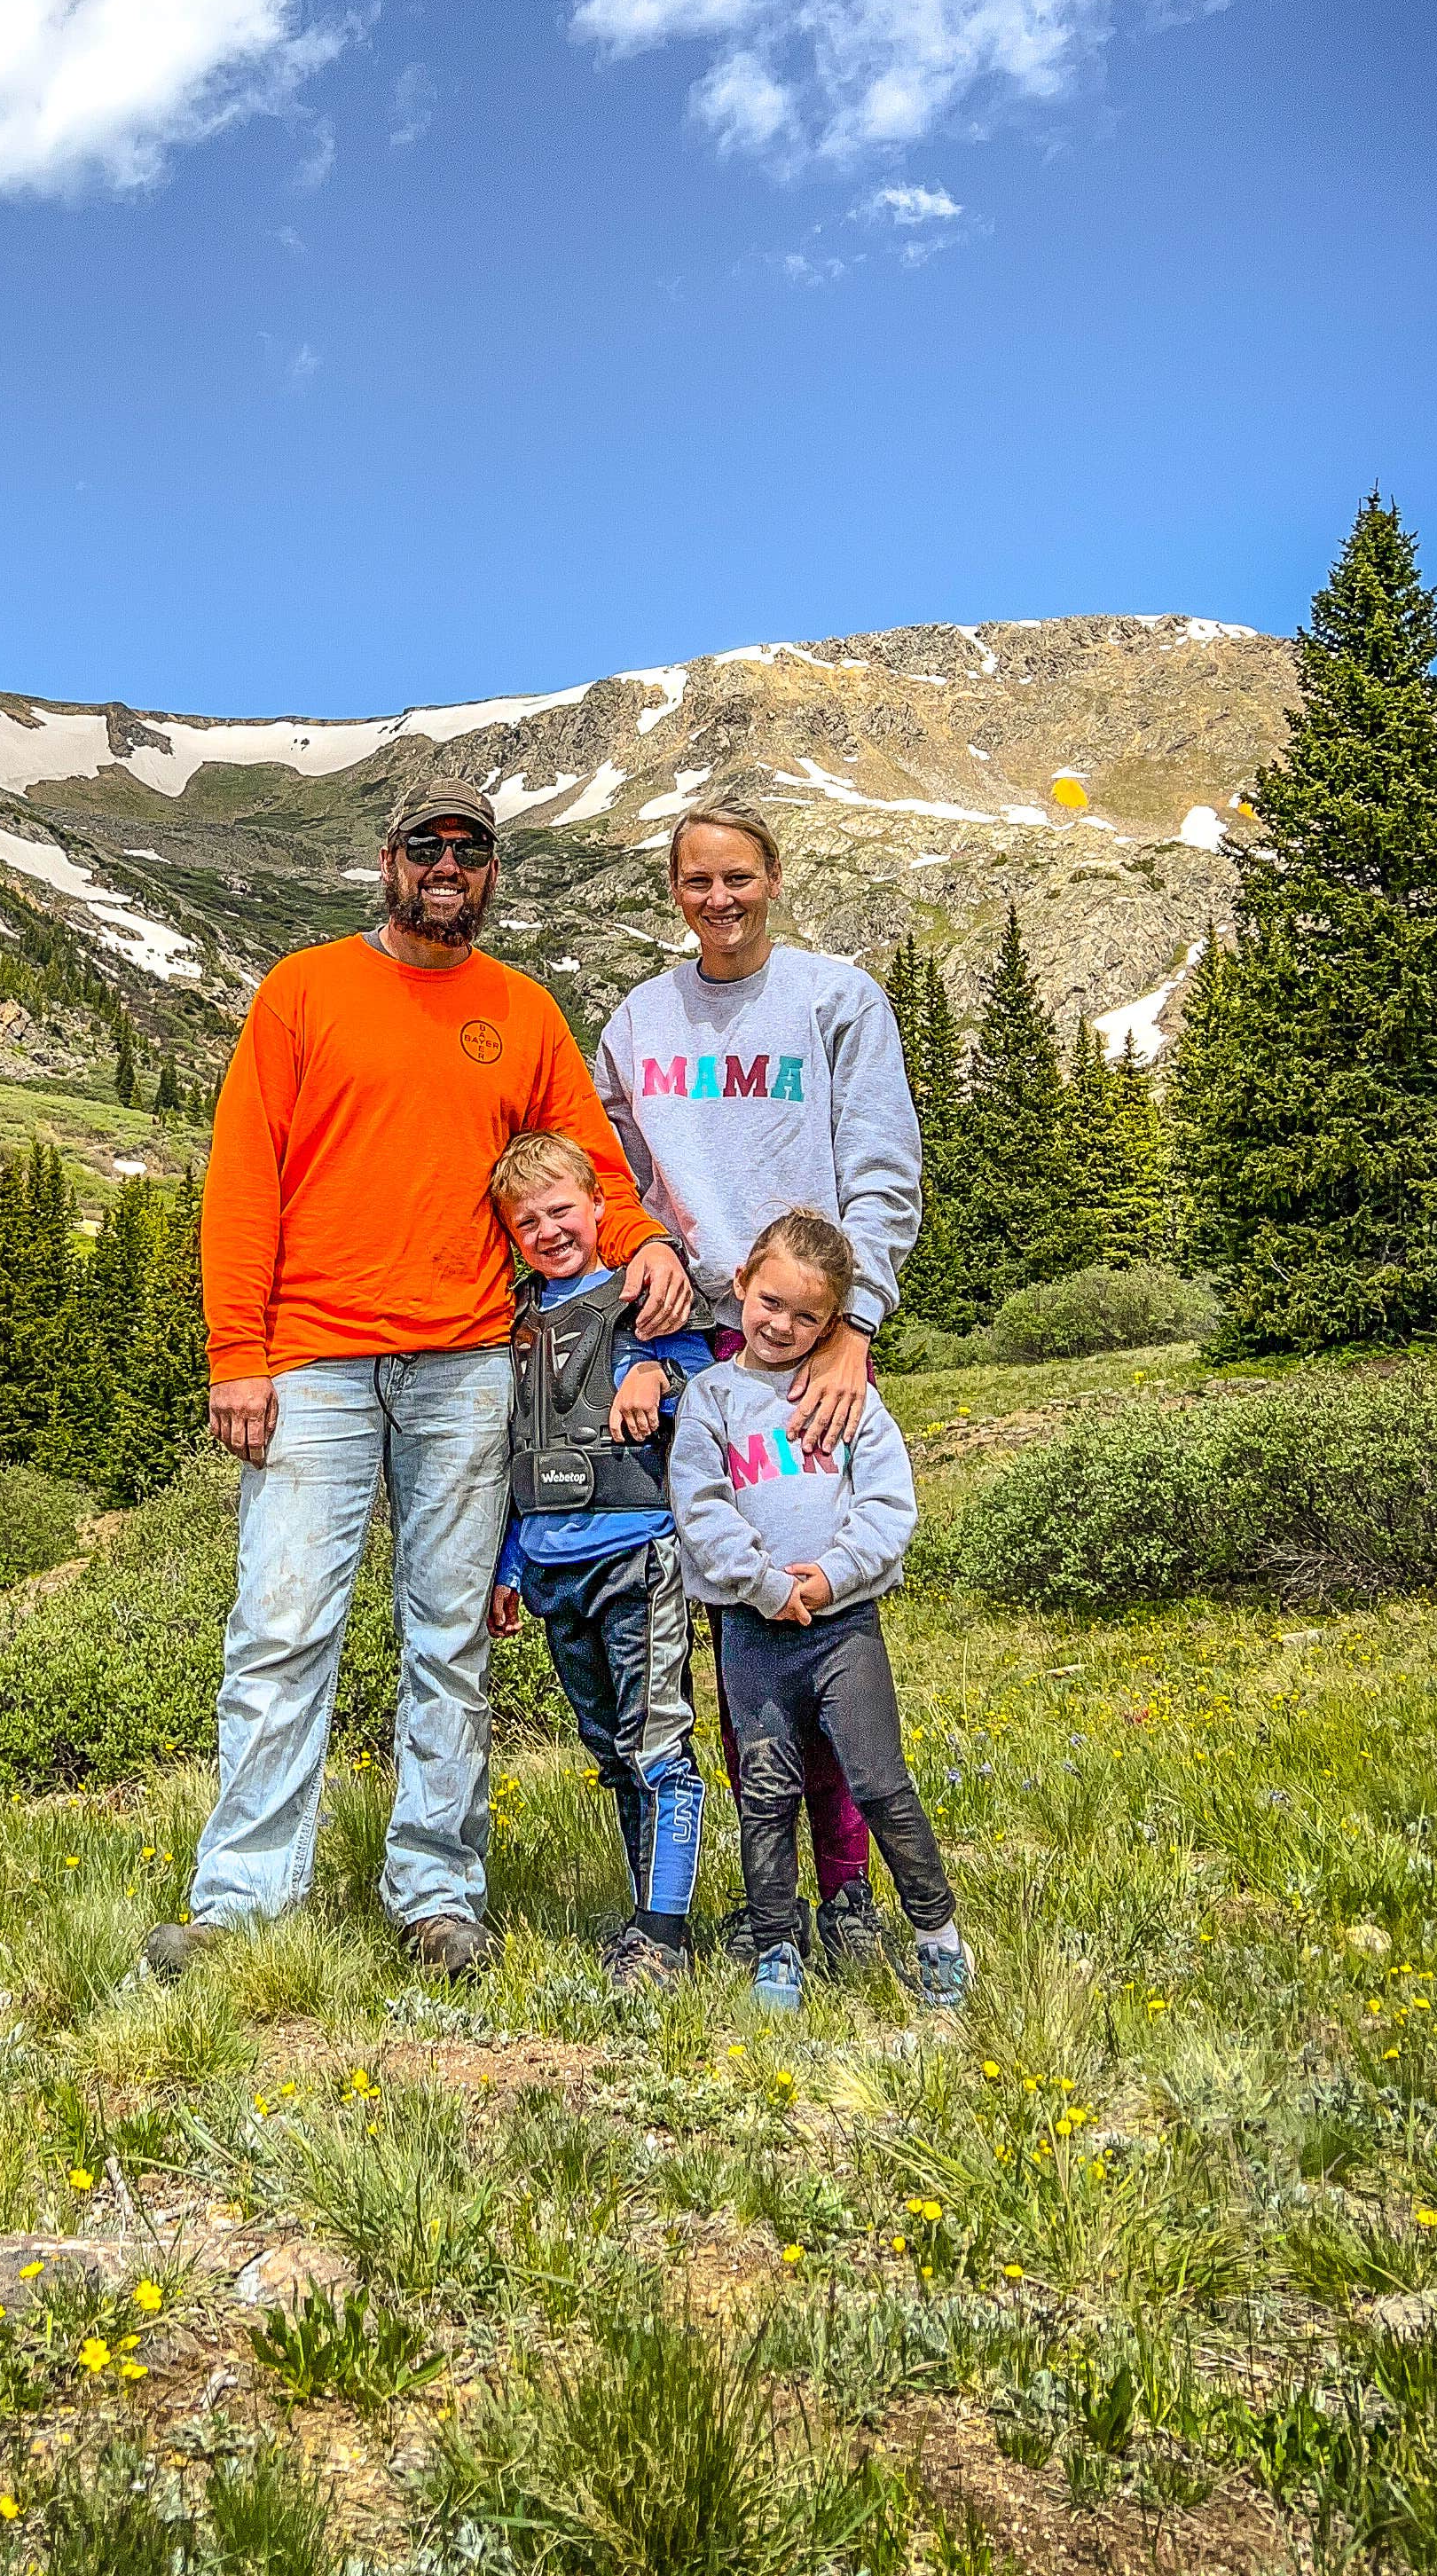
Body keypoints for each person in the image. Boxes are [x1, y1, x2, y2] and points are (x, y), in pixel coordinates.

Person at [150, 781, 688, 1980]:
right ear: (387, 862)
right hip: (311, 1363)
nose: (450, 867)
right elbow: (243, 1175)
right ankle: (242, 1905)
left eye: (473, 851)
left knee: (450, 1635)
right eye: (428, 848)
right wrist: (235, 1353)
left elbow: (588, 1161)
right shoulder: (303, 991)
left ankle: (438, 1896)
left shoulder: (522, 1009)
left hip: (463, 1362)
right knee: (283, 1630)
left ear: (493, 872)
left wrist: (641, 1235)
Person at [594, 804, 923, 1962]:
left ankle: (849, 1899)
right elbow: (615, 1175)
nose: (718, 899)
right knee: (736, 1648)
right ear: (673, 890)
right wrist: (644, 1254)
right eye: (696, 880)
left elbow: (883, 1176)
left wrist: (854, 1329)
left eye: (738, 877)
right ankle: (771, 1902)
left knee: (824, 1622)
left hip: (809, 1348)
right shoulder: (639, 1021)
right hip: (697, 1358)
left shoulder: (837, 1001)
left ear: (774, 880)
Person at [670, 1206, 971, 2015]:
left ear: (833, 1322)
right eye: (770, 1303)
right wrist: (769, 1587)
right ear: (741, 1286)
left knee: (878, 1781)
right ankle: (777, 1946)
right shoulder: (710, 1400)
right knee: (764, 1792)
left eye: (808, 1317)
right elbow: (700, 1510)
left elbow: (886, 1510)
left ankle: (937, 1934)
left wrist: (828, 1581)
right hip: (752, 1631)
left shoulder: (853, 1404)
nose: (782, 1325)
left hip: (843, 1631)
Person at [483, 1128, 712, 1989]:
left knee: (657, 1743)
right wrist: (508, 1570)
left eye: (560, 1211)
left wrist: (655, 1374)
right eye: (526, 1219)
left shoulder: (638, 1300)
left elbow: (708, 1381)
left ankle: (666, 1932)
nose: (547, 1230)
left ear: (598, 1207)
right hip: (550, 1568)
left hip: (636, 1555)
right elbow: (520, 1460)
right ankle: (648, 1917)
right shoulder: (518, 1322)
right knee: (610, 1749)